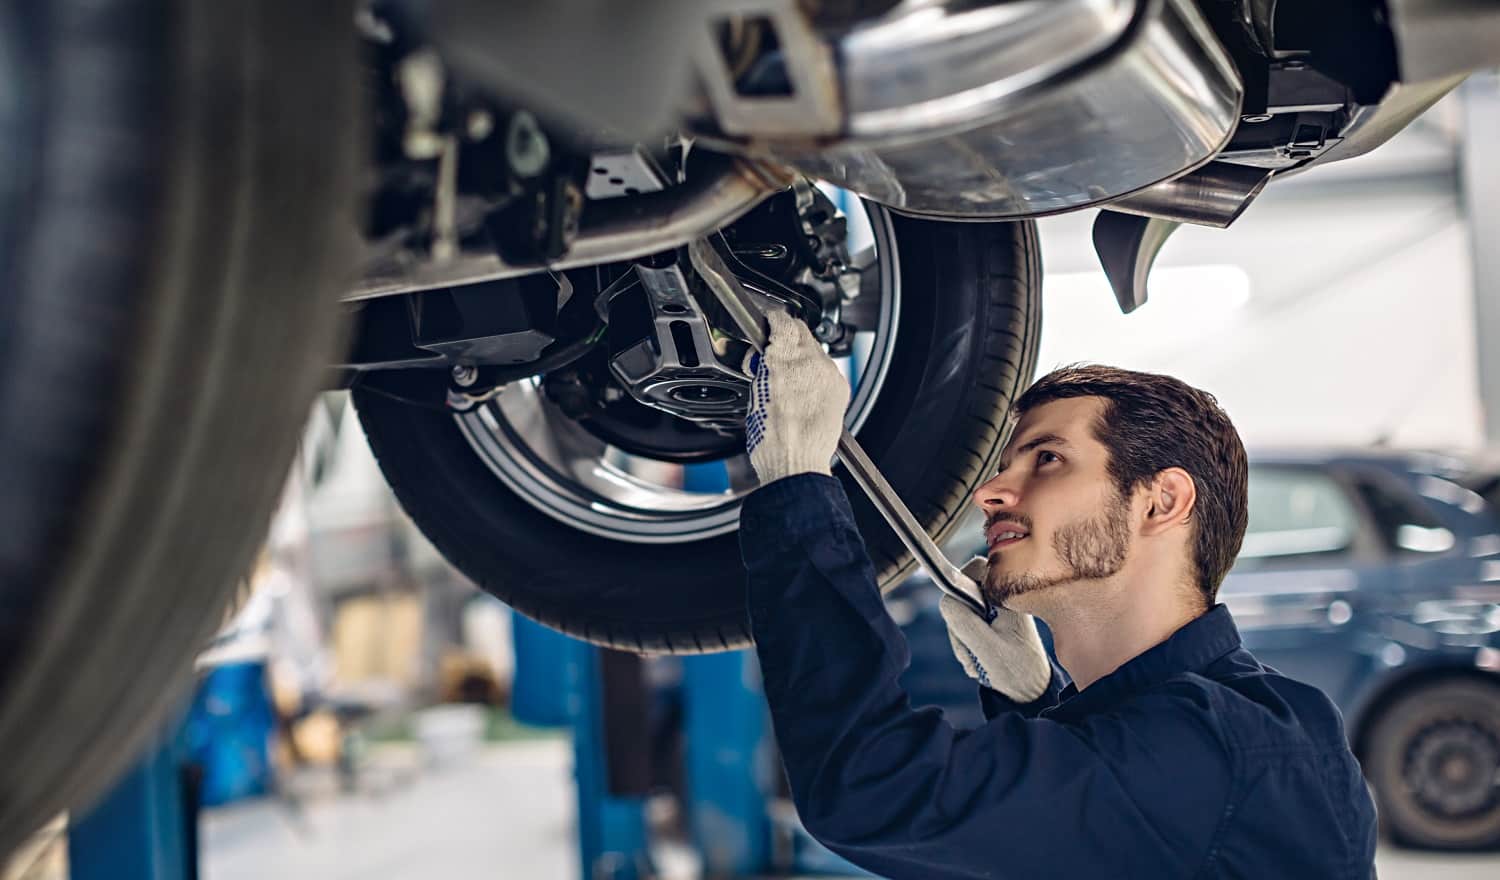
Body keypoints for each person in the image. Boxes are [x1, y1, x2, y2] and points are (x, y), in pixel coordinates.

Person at [737, 309, 1378, 878]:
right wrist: (1033, 702)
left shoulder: (1217, 748)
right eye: (1005, 465)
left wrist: (797, 485)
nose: (991, 493)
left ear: (1161, 501)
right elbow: (1090, 829)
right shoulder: (1248, 720)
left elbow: (868, 788)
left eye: (1046, 459)